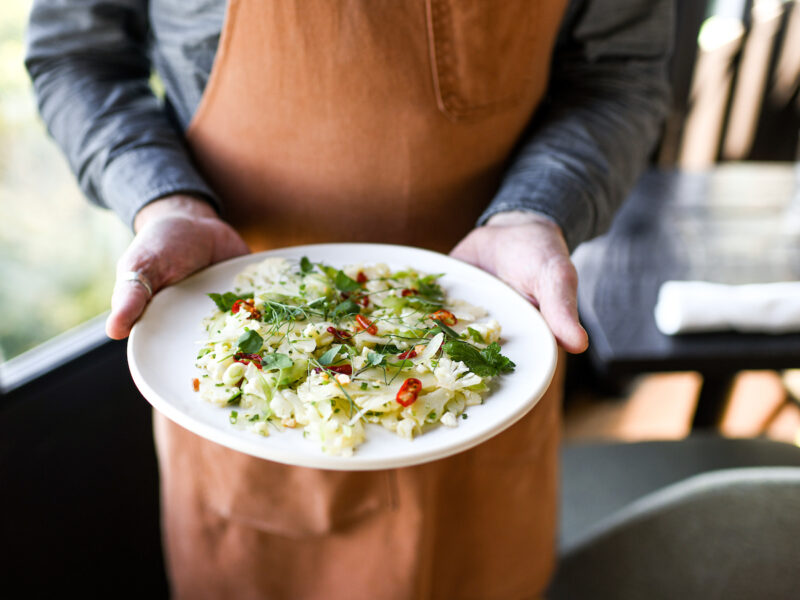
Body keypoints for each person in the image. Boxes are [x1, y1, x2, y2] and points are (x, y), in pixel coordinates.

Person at [26, 0, 672, 598]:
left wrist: (535, 213)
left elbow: (618, 74)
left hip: (486, 350)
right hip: (246, 403)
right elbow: (76, 54)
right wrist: (163, 199)